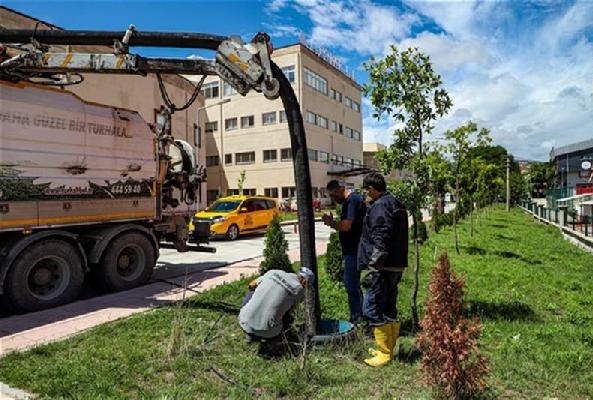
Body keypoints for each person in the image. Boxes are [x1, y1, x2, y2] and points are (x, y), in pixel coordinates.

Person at [358, 172, 408, 367]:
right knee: (388, 307)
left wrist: (373, 266)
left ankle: (385, 353)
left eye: (366, 191)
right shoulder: (395, 203)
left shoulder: (380, 206)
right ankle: (388, 348)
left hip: (382, 266)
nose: (365, 195)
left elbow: (381, 236)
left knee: (370, 308)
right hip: (396, 264)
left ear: (371, 189)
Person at [322, 180, 366, 323]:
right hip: (352, 249)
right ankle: (359, 315)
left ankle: (357, 318)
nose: (334, 199)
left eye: (334, 195)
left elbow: (346, 226)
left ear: (341, 189)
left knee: (351, 285)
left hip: (354, 250)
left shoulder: (352, 200)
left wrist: (331, 223)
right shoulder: (350, 201)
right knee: (353, 285)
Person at [239, 267, 314, 343]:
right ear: (305, 281)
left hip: (244, 323)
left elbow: (251, 285)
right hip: (270, 333)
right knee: (288, 313)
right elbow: (290, 310)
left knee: (252, 291)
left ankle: (250, 332)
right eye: (307, 285)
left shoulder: (274, 272)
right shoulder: (299, 290)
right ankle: (276, 341)